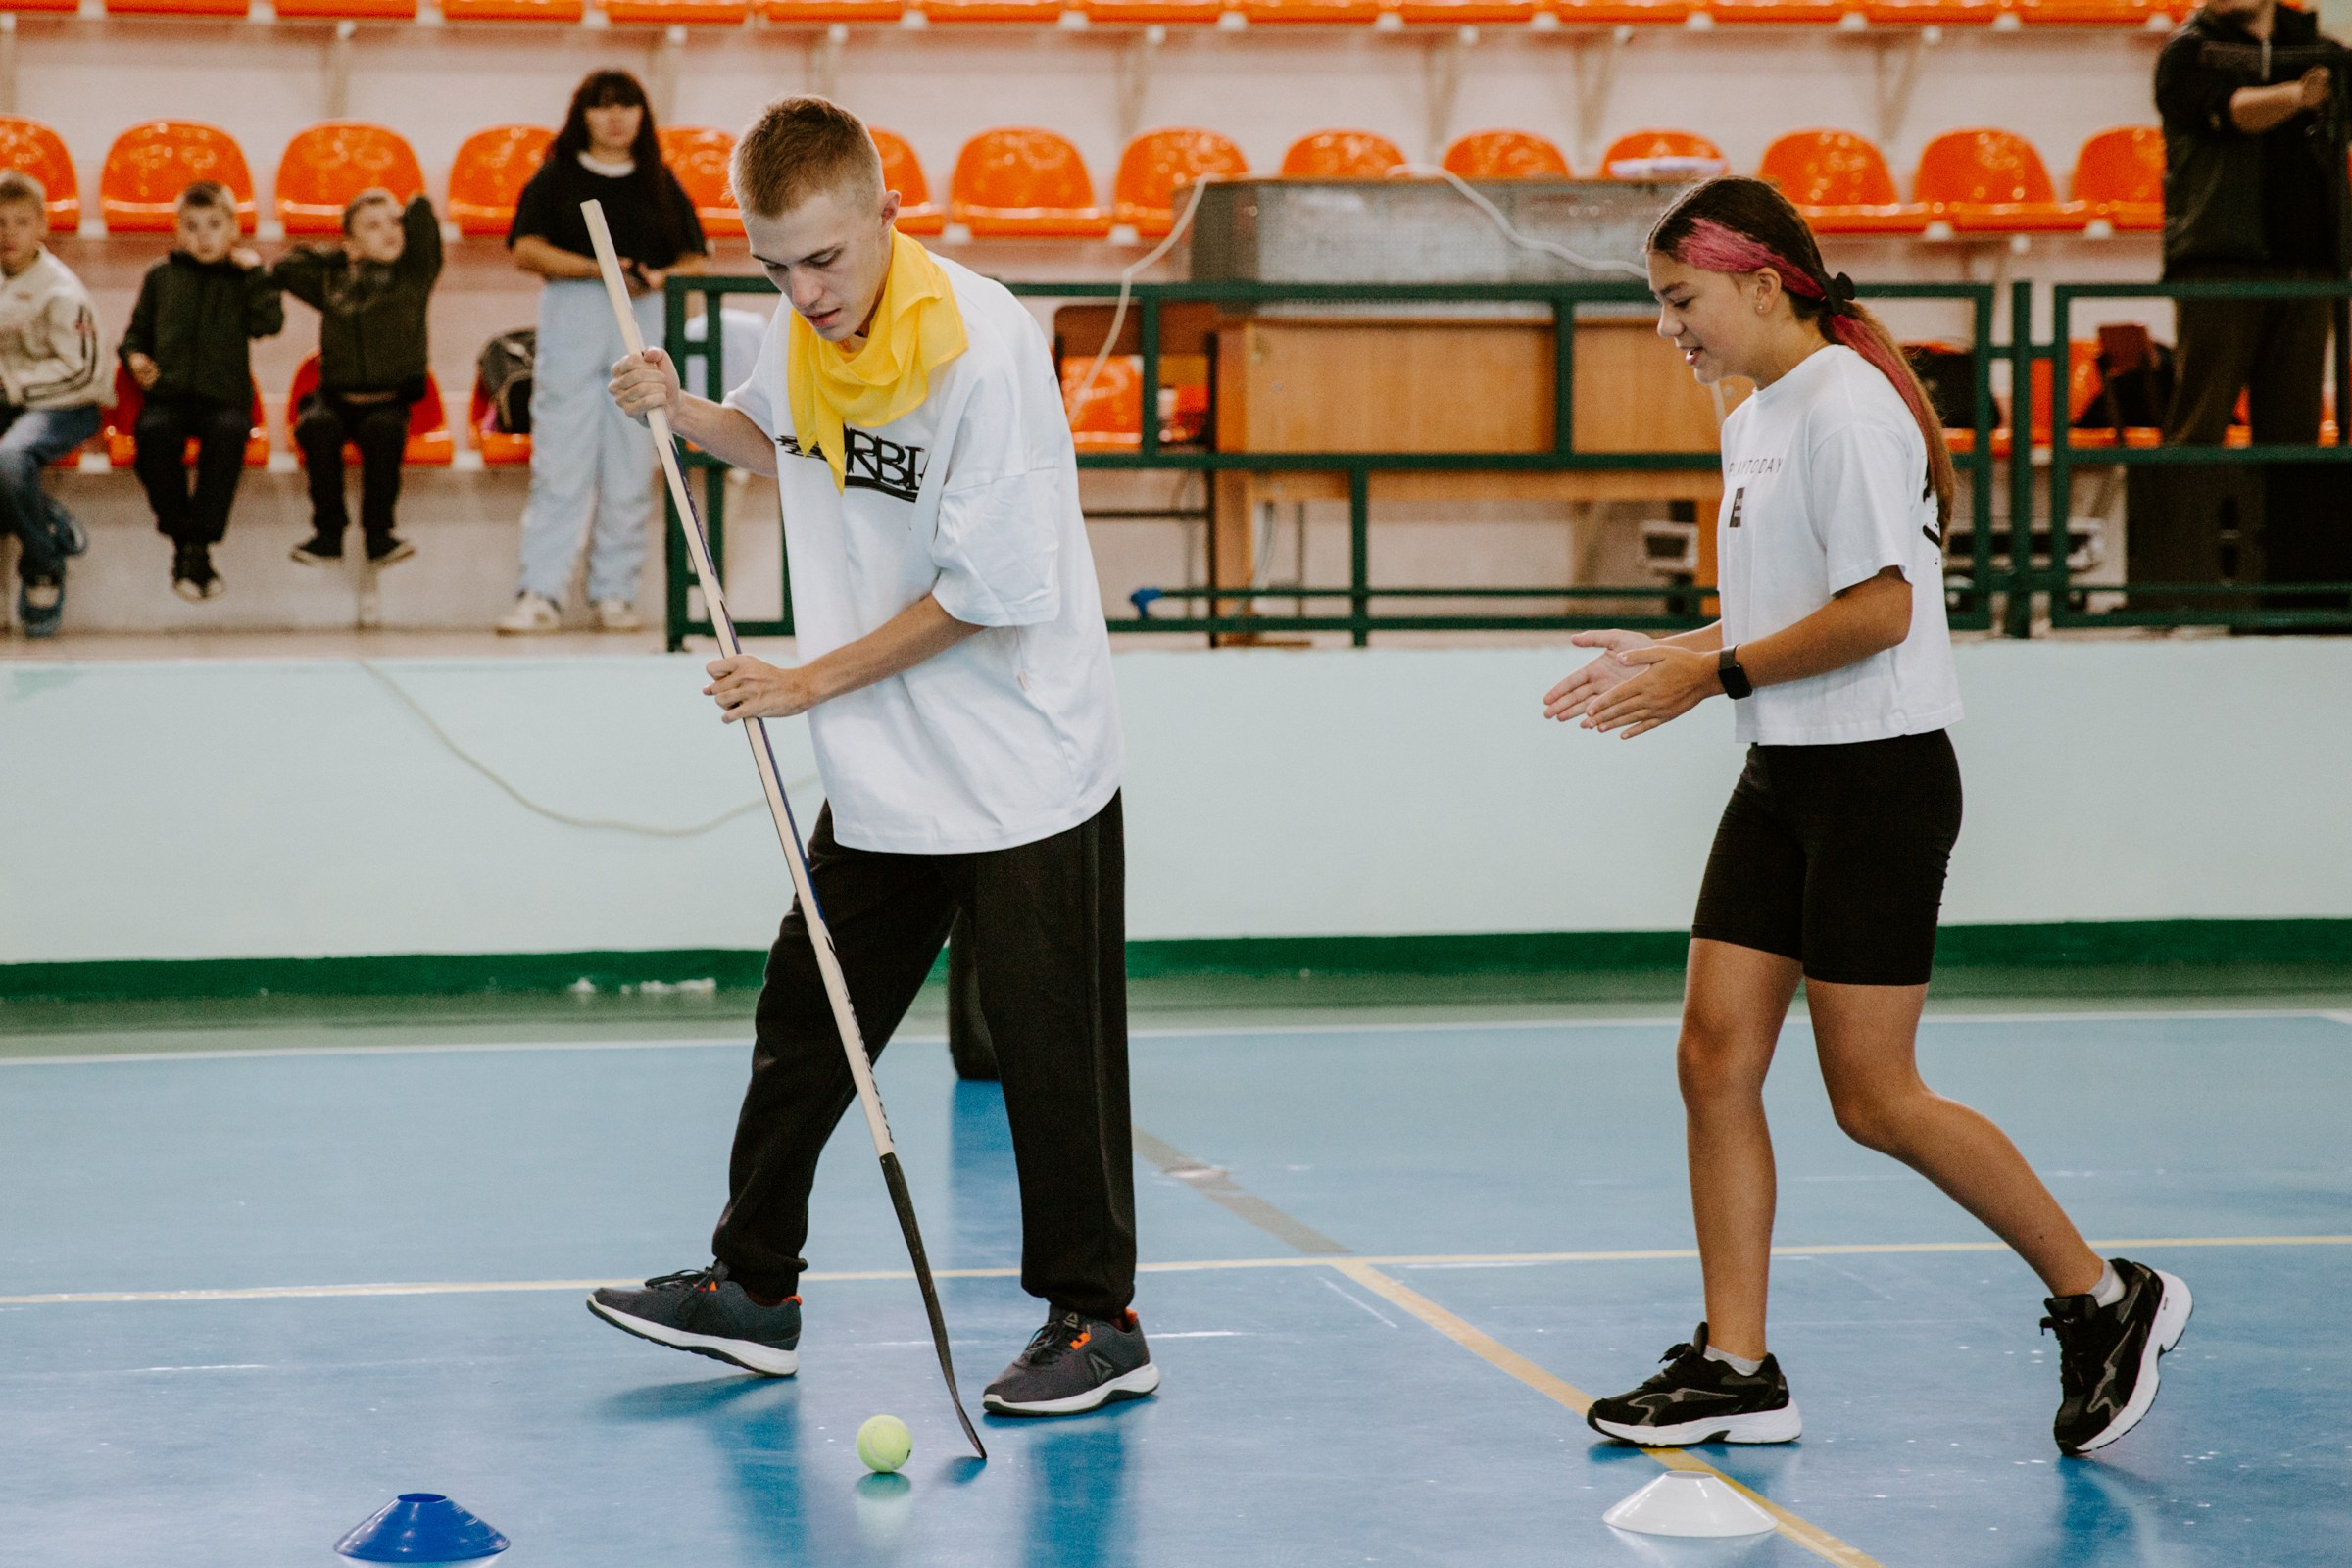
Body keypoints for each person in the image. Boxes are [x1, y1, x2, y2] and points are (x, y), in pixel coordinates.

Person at [1544, 176, 2190, 1457]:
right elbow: (1794, 604)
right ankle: (1737, 1366)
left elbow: (1882, 612)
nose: (1670, 325)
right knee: (1713, 1059)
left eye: (1680, 300)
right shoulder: (1760, 410)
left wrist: (1708, 675)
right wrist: (1677, 651)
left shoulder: (1847, 410)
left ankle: (2108, 1299)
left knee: (1873, 1096)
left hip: (1879, 778)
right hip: (1785, 769)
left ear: (1759, 279)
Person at [588, 94, 1147, 1419]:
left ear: (886, 214)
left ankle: (1097, 1321)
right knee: (805, 1021)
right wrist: (680, 412)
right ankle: (753, 1289)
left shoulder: (983, 348)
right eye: (775, 266)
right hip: (887, 765)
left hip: (1023, 761)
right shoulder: (804, 327)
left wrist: (803, 682)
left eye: (824, 260)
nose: (803, 289)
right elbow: (779, 444)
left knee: (1050, 1051)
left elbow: (983, 596)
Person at [497, 69, 706, 635]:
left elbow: (695, 260)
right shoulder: (556, 177)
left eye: (627, 105)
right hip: (573, 322)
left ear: (643, 115)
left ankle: (614, 593)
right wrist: (601, 270)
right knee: (559, 468)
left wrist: (656, 278)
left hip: (642, 323)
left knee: (632, 466)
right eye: (602, 105)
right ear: (582, 114)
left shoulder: (660, 180)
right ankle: (540, 591)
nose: (615, 117)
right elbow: (526, 248)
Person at [118, 180, 282, 602]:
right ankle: (188, 542)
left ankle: (196, 544)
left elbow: (269, 324)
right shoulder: (161, 276)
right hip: (169, 396)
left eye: (213, 225)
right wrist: (135, 359)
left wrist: (257, 274)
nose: (203, 236)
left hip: (223, 398)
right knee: (151, 436)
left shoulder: (242, 279)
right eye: (192, 226)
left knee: (228, 437)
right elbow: (136, 335)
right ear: (177, 231)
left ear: (233, 230)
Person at [272, 188, 442, 569]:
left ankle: (379, 535)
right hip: (335, 396)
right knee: (316, 427)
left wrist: (408, 205)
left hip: (389, 399)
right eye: (372, 226)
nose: (389, 231)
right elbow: (286, 268)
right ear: (350, 241)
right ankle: (328, 534)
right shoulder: (333, 281)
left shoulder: (414, 276)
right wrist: (344, 255)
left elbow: (424, 218)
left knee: (384, 434)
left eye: (393, 222)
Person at [0, 170, 104, 639]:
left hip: (67, 405)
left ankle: (44, 564)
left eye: (21, 222)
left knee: (8, 457)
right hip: (12, 400)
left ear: (42, 226)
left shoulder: (61, 291)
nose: (8, 234)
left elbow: (85, 373)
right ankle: (45, 517)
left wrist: (14, 388)